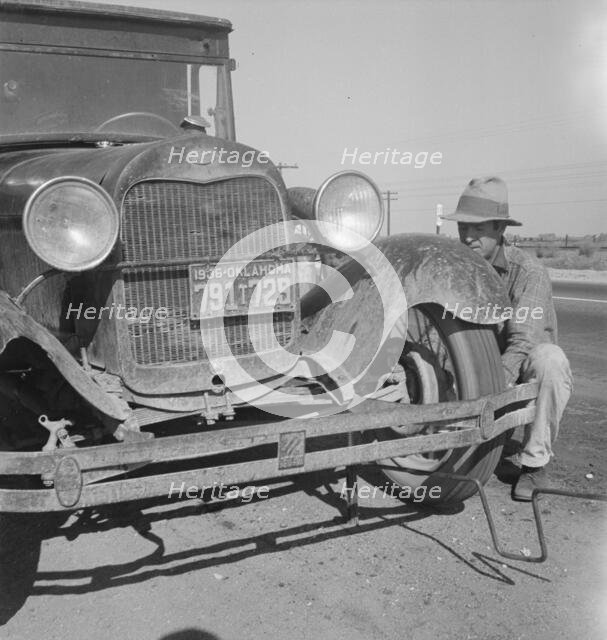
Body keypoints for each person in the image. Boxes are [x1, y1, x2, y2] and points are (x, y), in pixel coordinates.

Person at [442, 176, 573, 501]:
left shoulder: (528, 272)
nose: (468, 237)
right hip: (481, 369)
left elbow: (521, 344)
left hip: (518, 372)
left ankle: (534, 463)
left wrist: (487, 396)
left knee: (549, 359)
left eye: (479, 228)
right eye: (463, 229)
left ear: (500, 228)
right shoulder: (460, 271)